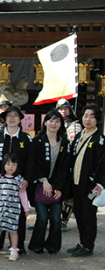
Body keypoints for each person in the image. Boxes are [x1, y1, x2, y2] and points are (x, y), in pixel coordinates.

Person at [0, 105, 34, 255]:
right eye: (9, 115)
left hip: (18, 185)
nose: (12, 118)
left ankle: (18, 246)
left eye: (15, 115)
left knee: (17, 215)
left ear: (20, 119)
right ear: (5, 119)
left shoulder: (26, 138)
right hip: (0, 184)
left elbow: (31, 161)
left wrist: (27, 179)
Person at [28, 110, 71, 254]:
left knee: (56, 219)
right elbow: (34, 163)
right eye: (51, 120)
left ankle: (53, 245)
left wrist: (59, 187)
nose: (54, 124)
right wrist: (44, 181)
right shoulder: (38, 140)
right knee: (42, 218)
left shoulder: (64, 142)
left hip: (57, 187)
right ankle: (37, 244)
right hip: (41, 186)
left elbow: (65, 167)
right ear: (45, 122)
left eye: (57, 121)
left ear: (61, 124)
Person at [67, 104, 105, 257]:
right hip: (77, 183)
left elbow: (102, 165)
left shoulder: (99, 140)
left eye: (91, 116)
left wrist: (100, 184)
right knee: (79, 214)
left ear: (97, 119)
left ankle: (88, 246)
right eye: (85, 116)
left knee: (89, 216)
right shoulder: (79, 136)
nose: (87, 119)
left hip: (90, 185)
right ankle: (82, 242)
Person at [0, 153, 30, 261]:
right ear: (4, 165)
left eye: (14, 164)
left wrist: (26, 208)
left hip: (13, 210)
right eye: (8, 164)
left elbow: (23, 195)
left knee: (13, 231)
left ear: (17, 166)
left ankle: (14, 249)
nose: (11, 167)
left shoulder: (19, 180)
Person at [56, 98, 82, 232]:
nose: (63, 111)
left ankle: (64, 219)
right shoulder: (56, 123)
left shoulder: (74, 125)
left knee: (68, 192)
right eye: (60, 109)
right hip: (58, 161)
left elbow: (74, 144)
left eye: (65, 109)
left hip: (69, 160)